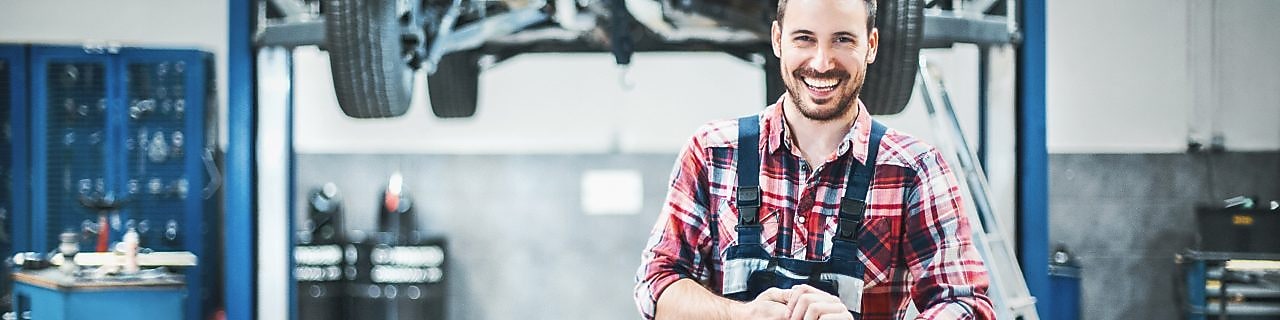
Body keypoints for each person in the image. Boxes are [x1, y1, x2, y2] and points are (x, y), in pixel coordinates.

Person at [633, 0, 995, 319]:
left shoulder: (915, 171)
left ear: (870, 45)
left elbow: (968, 305)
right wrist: (739, 315)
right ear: (778, 39)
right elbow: (656, 285)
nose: (822, 63)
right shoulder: (712, 153)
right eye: (804, 38)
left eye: (842, 39)